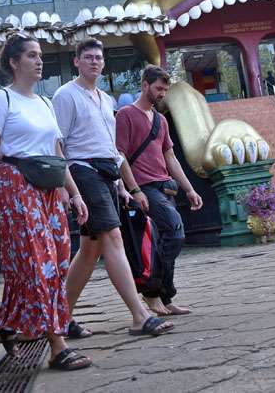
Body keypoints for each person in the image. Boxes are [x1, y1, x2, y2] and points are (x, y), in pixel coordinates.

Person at [0, 33, 92, 371]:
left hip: (50, 188)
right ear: (13, 62)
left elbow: (56, 152)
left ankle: (9, 322)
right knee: (40, 264)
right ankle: (57, 343)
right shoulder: (1, 100)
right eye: (31, 56)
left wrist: (75, 192)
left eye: (40, 55)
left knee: (58, 259)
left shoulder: (44, 103)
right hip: (14, 186)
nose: (39, 61)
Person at [54, 39, 174, 338]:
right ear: (77, 62)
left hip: (107, 174)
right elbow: (58, 144)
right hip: (82, 170)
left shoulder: (106, 99)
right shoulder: (65, 95)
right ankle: (139, 314)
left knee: (90, 248)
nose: (94, 62)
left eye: (99, 57)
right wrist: (69, 188)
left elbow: (112, 149)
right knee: (113, 237)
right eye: (88, 57)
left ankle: (60, 317)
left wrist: (124, 186)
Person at [115, 65, 203, 317]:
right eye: (158, 88)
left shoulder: (161, 120)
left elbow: (170, 156)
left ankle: (162, 296)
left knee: (167, 238)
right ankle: (152, 292)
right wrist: (133, 190)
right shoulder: (126, 115)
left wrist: (189, 189)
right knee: (174, 233)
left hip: (165, 187)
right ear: (144, 85)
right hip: (143, 187)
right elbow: (118, 154)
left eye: (165, 89)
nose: (162, 93)